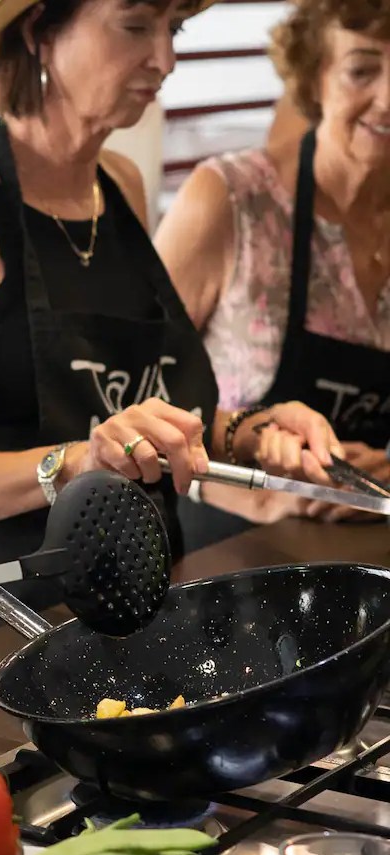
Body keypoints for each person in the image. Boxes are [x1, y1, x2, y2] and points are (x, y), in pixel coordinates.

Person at [0, 0, 344, 675]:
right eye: (134, 27)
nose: (165, 60)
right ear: (39, 32)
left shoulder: (118, 185)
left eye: (172, 31)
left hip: (115, 614)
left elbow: (129, 411)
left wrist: (253, 430)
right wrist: (73, 463)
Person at [155, 0, 390, 548]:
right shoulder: (233, 201)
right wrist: (259, 495)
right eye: (362, 70)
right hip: (228, 565)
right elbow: (129, 405)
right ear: (315, 76)